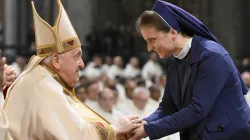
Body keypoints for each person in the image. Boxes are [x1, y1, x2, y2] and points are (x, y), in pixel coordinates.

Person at [3, 0, 142, 139]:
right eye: (76, 57)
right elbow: (75, 136)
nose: (81, 64)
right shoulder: (43, 86)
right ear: (56, 60)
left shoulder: (44, 79)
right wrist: (114, 129)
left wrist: (115, 132)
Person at [128, 0, 250, 140]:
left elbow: (197, 109)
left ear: (173, 33)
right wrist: (145, 123)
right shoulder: (173, 60)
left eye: (152, 40)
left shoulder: (211, 55)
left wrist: (148, 130)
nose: (149, 48)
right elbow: (168, 107)